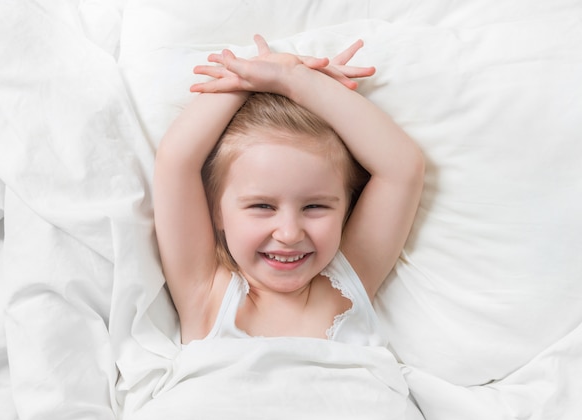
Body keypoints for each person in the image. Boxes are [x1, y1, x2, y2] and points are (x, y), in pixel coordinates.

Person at [153, 35, 424, 346]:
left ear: (347, 208)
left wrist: (293, 79)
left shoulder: (350, 283)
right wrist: (261, 72)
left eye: (315, 207)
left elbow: (402, 167)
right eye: (262, 207)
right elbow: (175, 161)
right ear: (217, 211)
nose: (289, 233)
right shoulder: (206, 293)